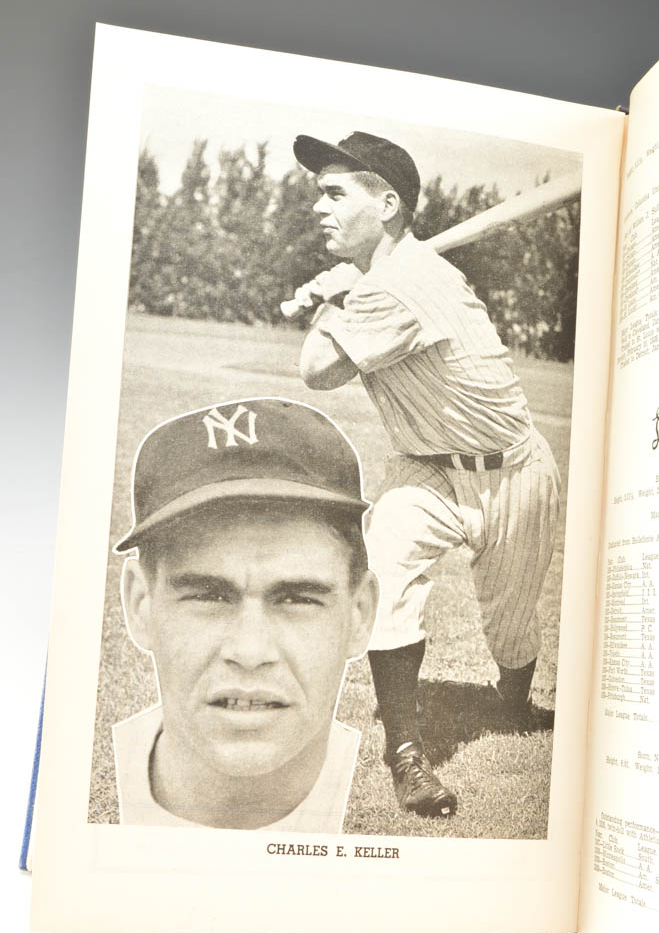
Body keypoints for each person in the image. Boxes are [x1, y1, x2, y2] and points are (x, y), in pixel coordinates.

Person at [292, 130, 560, 820]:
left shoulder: (406, 285)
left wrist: (335, 295)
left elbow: (317, 370)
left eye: (332, 193)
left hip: (513, 472)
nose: (316, 206)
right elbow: (324, 366)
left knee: (508, 626)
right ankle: (406, 754)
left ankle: (512, 701)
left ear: (386, 205)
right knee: (385, 572)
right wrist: (348, 288)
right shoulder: (388, 278)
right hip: (425, 470)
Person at [111, 397, 378, 832]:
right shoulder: (59, 807)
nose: (250, 651)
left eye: (298, 599)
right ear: (140, 606)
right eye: (209, 597)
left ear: (360, 615)